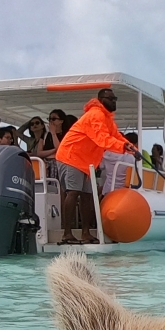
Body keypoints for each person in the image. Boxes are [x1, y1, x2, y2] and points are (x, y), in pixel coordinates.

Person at [55, 87, 140, 244]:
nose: (114, 101)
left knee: (87, 196)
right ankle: (67, 234)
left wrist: (131, 149)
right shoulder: (95, 115)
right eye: (110, 99)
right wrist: (124, 148)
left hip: (86, 162)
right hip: (71, 156)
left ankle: (86, 233)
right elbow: (102, 139)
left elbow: (116, 136)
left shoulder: (107, 118)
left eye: (115, 99)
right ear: (102, 101)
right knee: (73, 192)